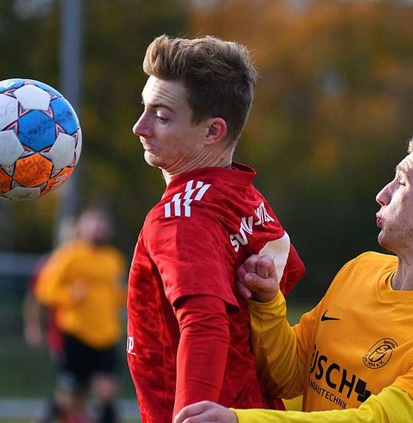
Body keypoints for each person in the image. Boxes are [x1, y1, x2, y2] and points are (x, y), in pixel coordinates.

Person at [174, 122, 413, 423]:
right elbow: (292, 376)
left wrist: (239, 420)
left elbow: (370, 420)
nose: (381, 194)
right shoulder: (361, 269)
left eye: (400, 183)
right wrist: (268, 305)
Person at [127, 34, 306, 423]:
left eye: (161, 116)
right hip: (252, 406)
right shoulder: (244, 194)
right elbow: (288, 270)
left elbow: (204, 322)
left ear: (212, 132)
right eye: (144, 108)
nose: (139, 127)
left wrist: (192, 412)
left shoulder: (179, 215)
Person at [35, 209, 127, 423]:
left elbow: (115, 295)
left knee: (107, 391)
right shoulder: (69, 256)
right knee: (72, 394)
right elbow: (44, 290)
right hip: (77, 333)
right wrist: (69, 295)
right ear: (82, 228)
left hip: (106, 334)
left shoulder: (114, 259)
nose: (98, 228)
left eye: (102, 223)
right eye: (93, 223)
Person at [23, 216, 77, 423]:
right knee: (68, 387)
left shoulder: (86, 262)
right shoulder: (51, 263)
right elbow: (35, 298)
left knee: (79, 390)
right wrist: (33, 327)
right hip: (61, 333)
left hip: (83, 334)